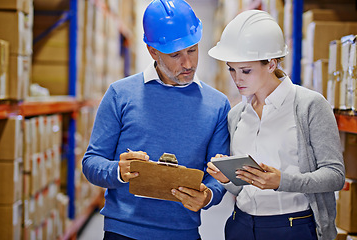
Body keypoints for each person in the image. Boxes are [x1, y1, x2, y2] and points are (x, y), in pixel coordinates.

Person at [82, 0, 230, 239]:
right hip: (123, 231)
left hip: (183, 232)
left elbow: (217, 174)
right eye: (175, 55)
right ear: (152, 51)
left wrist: (208, 196)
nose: (188, 63)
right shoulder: (120, 94)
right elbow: (91, 163)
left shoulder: (217, 104)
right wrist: (118, 171)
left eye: (192, 50)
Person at [206, 10, 345, 240]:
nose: (237, 78)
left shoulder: (309, 105)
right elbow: (241, 188)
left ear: (271, 63)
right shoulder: (238, 114)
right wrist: (227, 179)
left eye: (246, 70)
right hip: (241, 224)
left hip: (292, 226)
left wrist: (283, 181)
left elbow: (335, 175)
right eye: (232, 69)